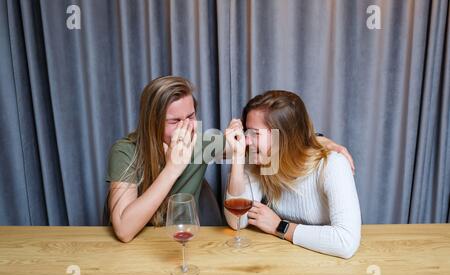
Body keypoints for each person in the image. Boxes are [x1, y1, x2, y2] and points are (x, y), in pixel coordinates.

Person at [106, 76, 354, 243]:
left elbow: (265, 141)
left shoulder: (201, 143)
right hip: (139, 245)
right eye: (174, 121)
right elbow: (125, 231)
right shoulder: (126, 151)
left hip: (182, 241)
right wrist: (173, 168)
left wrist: (320, 140)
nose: (187, 127)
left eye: (191, 116)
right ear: (152, 121)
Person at [225, 90, 361, 259]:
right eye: (247, 132)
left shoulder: (332, 165)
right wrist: (237, 159)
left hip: (326, 264)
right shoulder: (259, 160)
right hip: (282, 259)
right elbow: (238, 221)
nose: (247, 140)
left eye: (255, 134)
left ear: (284, 137)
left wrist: (280, 227)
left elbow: (346, 242)